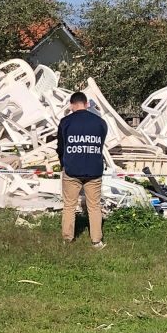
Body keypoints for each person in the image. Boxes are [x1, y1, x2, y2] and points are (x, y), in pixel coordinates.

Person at [56, 91, 108, 249]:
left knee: (69, 205)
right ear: (87, 105)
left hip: (72, 170)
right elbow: (100, 145)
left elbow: (60, 147)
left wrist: (63, 164)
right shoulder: (100, 123)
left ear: (72, 105)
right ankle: (96, 240)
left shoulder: (66, 122)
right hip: (94, 170)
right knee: (94, 206)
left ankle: (67, 239)